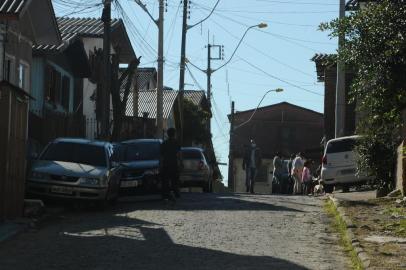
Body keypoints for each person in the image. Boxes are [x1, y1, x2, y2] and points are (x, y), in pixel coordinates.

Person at [160, 128, 181, 201]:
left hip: (166, 165)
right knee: (175, 180)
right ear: (174, 134)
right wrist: (180, 163)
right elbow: (179, 154)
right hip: (174, 164)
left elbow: (161, 156)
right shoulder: (176, 143)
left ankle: (165, 195)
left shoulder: (164, 144)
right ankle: (175, 193)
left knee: (165, 181)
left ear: (167, 134)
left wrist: (161, 165)